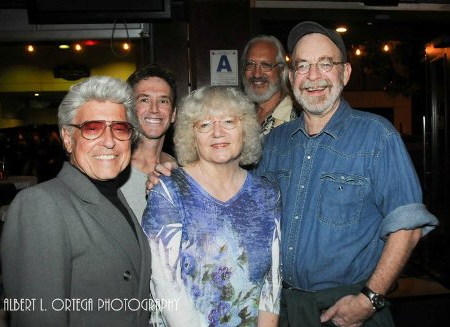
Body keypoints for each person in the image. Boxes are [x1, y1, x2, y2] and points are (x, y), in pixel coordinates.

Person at [255, 21, 439, 327]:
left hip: (346, 311)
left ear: (345, 73)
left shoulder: (377, 136)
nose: (313, 76)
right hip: (281, 309)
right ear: (291, 77)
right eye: (303, 65)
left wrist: (370, 299)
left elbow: (407, 228)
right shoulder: (274, 143)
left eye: (325, 64)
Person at [1, 76, 151, 327]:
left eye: (120, 128)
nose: (110, 140)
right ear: (68, 139)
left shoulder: (116, 196)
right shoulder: (39, 205)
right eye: (92, 128)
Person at [142, 86, 281, 326]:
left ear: (245, 129)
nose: (217, 132)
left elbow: (272, 284)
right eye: (204, 124)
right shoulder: (169, 190)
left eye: (229, 121)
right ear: (191, 136)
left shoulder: (268, 195)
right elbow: (165, 285)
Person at [120, 64, 177, 223]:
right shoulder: (113, 170)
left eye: (163, 101)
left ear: (173, 114)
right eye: (144, 99)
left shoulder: (182, 171)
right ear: (129, 110)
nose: (154, 109)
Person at [241, 35, 297, 135]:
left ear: (281, 71)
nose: (256, 74)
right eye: (250, 65)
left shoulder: (293, 123)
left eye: (265, 66)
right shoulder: (241, 115)